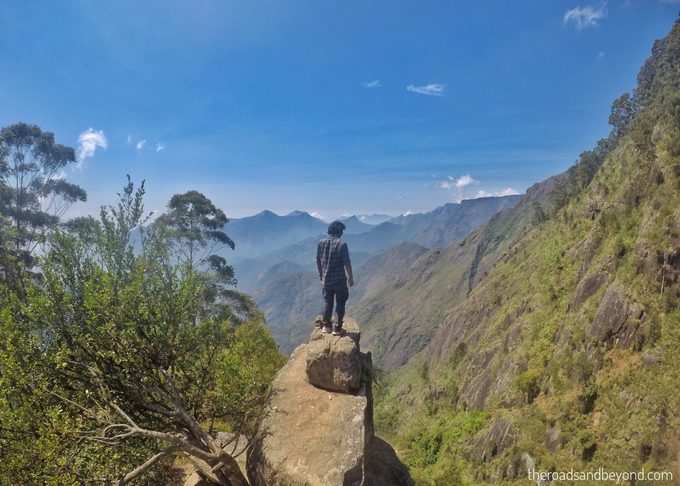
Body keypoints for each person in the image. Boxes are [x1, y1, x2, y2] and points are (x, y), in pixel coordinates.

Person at [316, 220, 354, 335]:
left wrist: (321, 275)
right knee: (340, 302)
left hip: (326, 280)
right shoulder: (342, 244)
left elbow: (318, 260)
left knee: (328, 302)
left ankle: (326, 326)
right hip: (339, 280)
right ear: (338, 231)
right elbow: (347, 262)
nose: (342, 233)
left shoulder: (321, 243)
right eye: (341, 230)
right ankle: (337, 328)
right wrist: (350, 277)